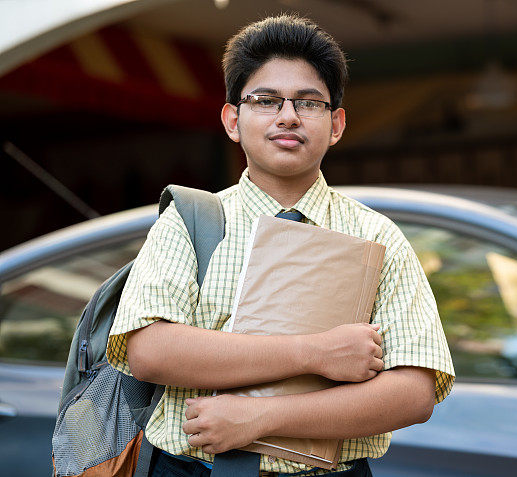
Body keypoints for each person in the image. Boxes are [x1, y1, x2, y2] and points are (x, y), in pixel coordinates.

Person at [106, 14, 455, 477]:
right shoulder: (189, 221)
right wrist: (315, 353)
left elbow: (414, 391)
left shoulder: (377, 236)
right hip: (193, 470)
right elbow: (148, 350)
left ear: (336, 124)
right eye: (266, 100)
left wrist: (260, 419)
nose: (288, 116)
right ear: (233, 119)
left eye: (309, 103)